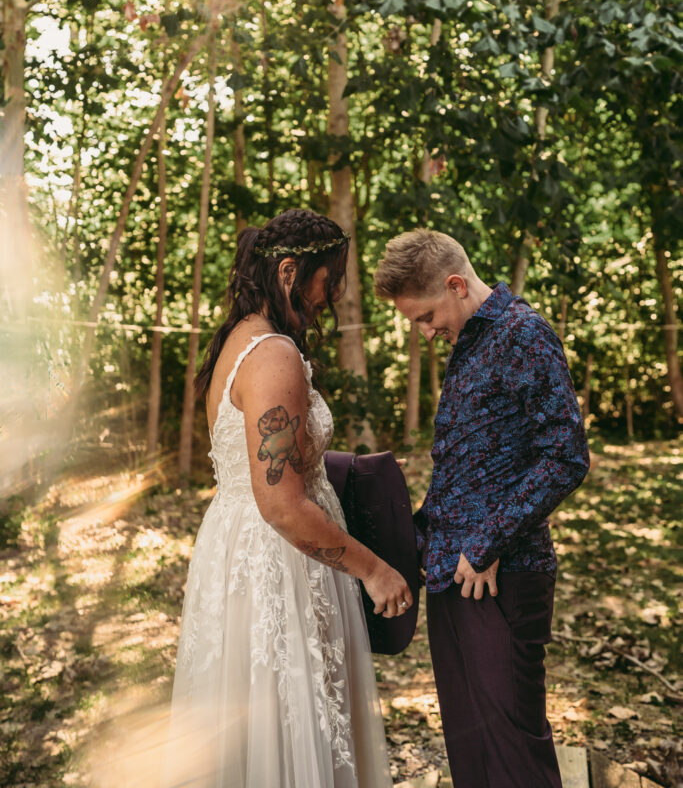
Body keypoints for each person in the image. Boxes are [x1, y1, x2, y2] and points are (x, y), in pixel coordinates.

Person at [164, 208, 411, 788]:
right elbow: (279, 503)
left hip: (240, 550)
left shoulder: (240, 338)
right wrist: (373, 571)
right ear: (289, 271)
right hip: (280, 560)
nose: (335, 296)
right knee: (287, 726)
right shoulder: (273, 355)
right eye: (330, 280)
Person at [374, 230, 589, 788]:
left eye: (425, 316)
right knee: (471, 751)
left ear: (455, 284)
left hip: (502, 579)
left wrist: (486, 542)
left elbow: (564, 456)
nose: (424, 332)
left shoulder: (523, 333)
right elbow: (472, 467)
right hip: (453, 576)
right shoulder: (468, 343)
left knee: (514, 754)